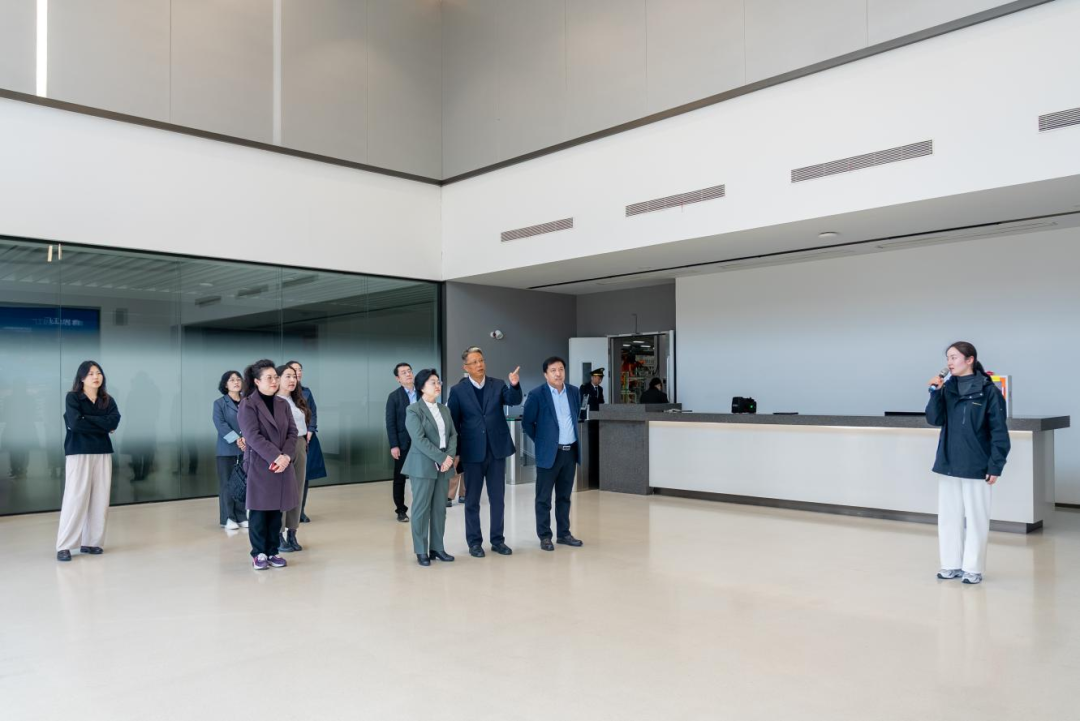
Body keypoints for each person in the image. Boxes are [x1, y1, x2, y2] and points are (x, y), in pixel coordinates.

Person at [926, 341, 1010, 585]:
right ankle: (950, 564)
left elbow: (999, 432)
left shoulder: (988, 391)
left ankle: (972, 568)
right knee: (948, 517)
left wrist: (995, 465)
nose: (949, 362)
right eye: (948, 358)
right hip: (948, 462)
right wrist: (935, 393)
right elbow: (934, 419)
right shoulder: (947, 389)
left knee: (976, 519)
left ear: (970, 359)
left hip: (977, 465)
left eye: (954, 357)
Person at [447, 346, 522, 558]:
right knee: (472, 500)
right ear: (466, 367)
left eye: (481, 360)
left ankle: (498, 540)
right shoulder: (458, 391)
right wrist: (456, 453)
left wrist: (514, 385)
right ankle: (474, 542)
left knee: (498, 499)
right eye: (474, 362)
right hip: (471, 453)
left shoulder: (497, 384)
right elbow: (454, 423)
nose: (479, 364)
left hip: (496, 450)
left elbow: (514, 400)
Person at [56, 361, 121, 562]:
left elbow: (114, 421)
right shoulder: (73, 397)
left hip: (102, 451)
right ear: (82, 377)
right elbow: (75, 424)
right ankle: (64, 545)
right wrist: (103, 425)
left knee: (100, 498)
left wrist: (87, 419)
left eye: (98, 373)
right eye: (91, 373)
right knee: (75, 497)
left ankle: (92, 542)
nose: (96, 377)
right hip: (78, 451)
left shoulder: (107, 400)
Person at [237, 360, 297, 571]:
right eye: (269, 377)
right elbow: (252, 436)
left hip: (282, 464)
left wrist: (286, 456)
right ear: (257, 381)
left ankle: (272, 551)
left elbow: (292, 432)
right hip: (261, 465)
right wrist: (276, 457)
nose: (274, 381)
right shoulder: (248, 404)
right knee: (259, 511)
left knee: (275, 511)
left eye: (275, 377)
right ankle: (258, 553)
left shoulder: (282, 403)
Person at [522, 356, 584, 551]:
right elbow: (527, 423)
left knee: (564, 497)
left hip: (570, 452)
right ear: (545, 374)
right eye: (553, 370)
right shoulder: (536, 394)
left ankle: (564, 534)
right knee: (544, 498)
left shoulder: (574, 392)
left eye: (561, 369)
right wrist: (543, 442)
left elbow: (575, 416)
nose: (558, 374)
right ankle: (545, 536)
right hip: (549, 454)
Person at [402, 369, 458, 567]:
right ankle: (421, 550)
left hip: (444, 465)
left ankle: (437, 548)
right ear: (421, 387)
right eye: (433, 382)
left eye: (438, 382)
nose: (437, 385)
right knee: (421, 509)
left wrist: (448, 458)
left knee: (439, 509)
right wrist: (442, 458)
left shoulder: (444, 409)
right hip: (423, 465)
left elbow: (453, 435)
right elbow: (419, 440)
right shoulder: (413, 410)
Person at [276, 364, 311, 553]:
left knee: (297, 490)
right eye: (287, 376)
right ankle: (278, 534)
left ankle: (292, 531)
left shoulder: (297, 399)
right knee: (282, 492)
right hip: (281, 448)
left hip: (300, 444)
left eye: (294, 376)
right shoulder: (273, 400)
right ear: (278, 378)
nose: (292, 380)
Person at [286, 360, 325, 522]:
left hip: (307, 438)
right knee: (289, 477)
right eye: (294, 370)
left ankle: (300, 511)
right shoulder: (282, 393)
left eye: (300, 369)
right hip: (288, 440)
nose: (298, 373)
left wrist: (311, 429)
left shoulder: (306, 392)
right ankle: (287, 513)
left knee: (304, 477)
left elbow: (312, 412)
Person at [212, 370, 248, 531]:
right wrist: (237, 439)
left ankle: (241, 516)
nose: (236, 382)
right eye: (232, 380)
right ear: (225, 384)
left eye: (238, 379)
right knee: (227, 484)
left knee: (242, 483)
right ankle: (228, 518)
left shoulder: (247, 402)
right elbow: (220, 424)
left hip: (246, 448)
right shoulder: (219, 403)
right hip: (226, 450)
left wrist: (246, 438)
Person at [385, 362, 417, 522]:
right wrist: (394, 445)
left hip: (422, 441)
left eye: (409, 371)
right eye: (403, 372)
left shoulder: (422, 392)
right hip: (403, 442)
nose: (408, 374)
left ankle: (421, 507)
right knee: (400, 478)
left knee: (422, 476)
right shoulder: (394, 397)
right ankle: (401, 510)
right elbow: (390, 423)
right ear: (398, 378)